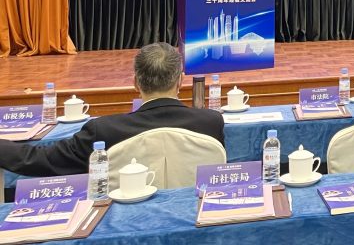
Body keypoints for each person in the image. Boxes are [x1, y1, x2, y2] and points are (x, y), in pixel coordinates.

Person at [0, 42, 224, 177]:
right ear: (180, 82)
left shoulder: (103, 131)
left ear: (135, 83)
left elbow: (39, 159)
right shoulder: (211, 122)